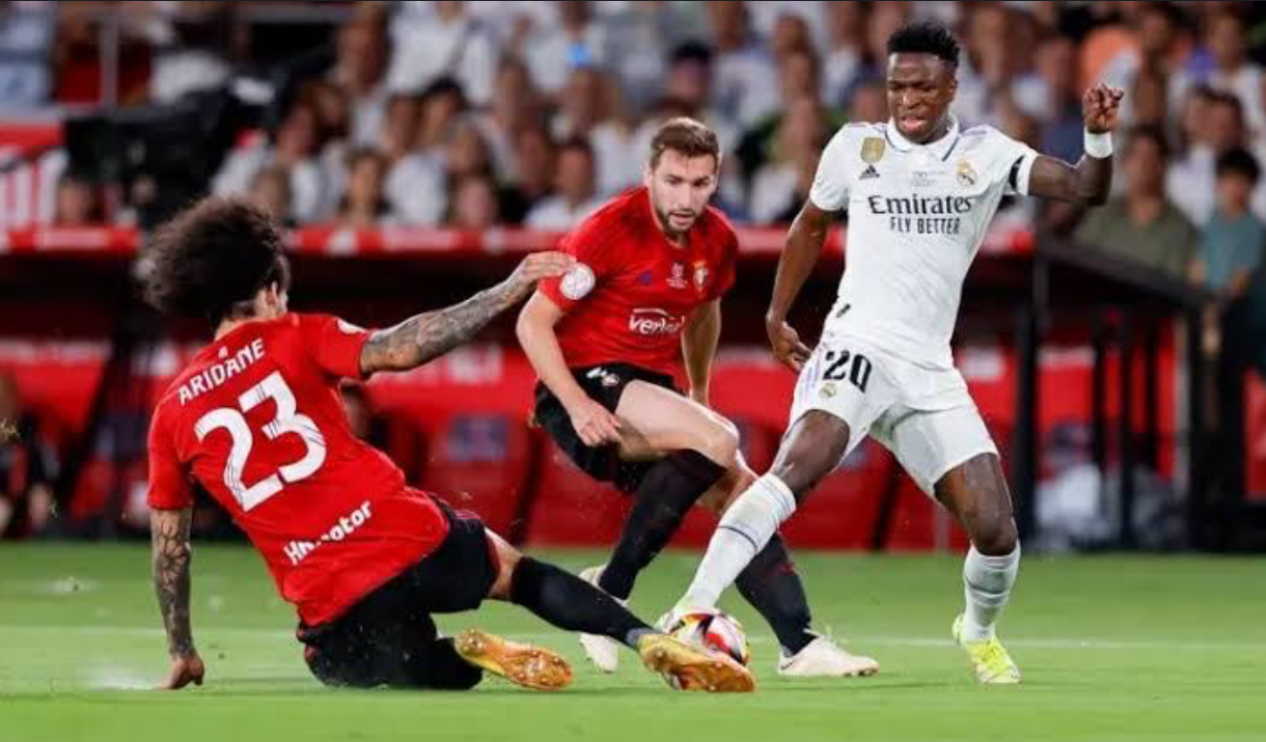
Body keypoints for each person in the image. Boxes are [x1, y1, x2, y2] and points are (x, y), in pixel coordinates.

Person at [139, 197, 754, 694]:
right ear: (272, 288)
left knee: (347, 664)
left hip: (332, 599)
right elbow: (404, 348)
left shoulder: (172, 413)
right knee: (517, 574)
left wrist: (182, 649)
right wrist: (505, 291)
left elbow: (171, 553)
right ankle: (646, 637)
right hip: (410, 536)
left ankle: (463, 653)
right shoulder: (298, 335)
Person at [666, 22, 1122, 686]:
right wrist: (775, 313)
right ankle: (691, 610)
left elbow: (1085, 188)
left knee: (996, 532)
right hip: (856, 342)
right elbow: (810, 224)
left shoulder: (986, 153)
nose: (907, 99)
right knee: (797, 468)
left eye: (922, 87)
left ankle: (978, 630)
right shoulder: (856, 146)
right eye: (897, 86)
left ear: (952, 88)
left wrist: (1098, 137)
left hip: (928, 369)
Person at [516, 117, 876, 678]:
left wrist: (699, 392)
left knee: (743, 491)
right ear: (649, 175)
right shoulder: (608, 230)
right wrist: (574, 403)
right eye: (674, 181)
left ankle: (799, 644)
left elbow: (704, 313)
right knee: (721, 439)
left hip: (649, 391)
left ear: (716, 180)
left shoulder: (718, 239)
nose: (686, 198)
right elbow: (533, 322)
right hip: (584, 385)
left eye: (700, 183)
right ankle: (610, 589)